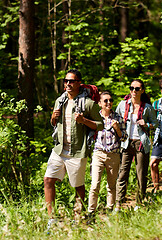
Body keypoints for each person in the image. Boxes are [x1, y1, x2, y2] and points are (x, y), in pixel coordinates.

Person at [44, 69, 103, 230]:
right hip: (59, 149)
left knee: (78, 186)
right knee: (48, 180)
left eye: (72, 81)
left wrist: (83, 120)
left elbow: (101, 124)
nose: (68, 84)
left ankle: (78, 218)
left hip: (77, 151)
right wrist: (53, 118)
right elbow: (54, 123)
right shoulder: (60, 101)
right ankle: (52, 219)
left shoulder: (88, 104)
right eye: (66, 81)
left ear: (79, 83)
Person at [115, 79, 158, 209]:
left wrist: (147, 124)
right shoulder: (123, 105)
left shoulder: (147, 108)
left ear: (142, 90)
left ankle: (140, 202)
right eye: (132, 88)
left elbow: (155, 124)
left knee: (141, 174)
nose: (134, 91)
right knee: (122, 173)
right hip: (126, 142)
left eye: (137, 88)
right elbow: (115, 118)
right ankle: (118, 203)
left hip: (141, 143)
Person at [87, 91, 126, 219]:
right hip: (98, 153)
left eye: (110, 100)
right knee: (94, 184)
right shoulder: (95, 118)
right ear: (100, 103)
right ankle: (91, 213)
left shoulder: (118, 118)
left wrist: (117, 129)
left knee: (111, 185)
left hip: (113, 155)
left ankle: (110, 210)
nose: (108, 103)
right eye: (105, 101)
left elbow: (124, 138)